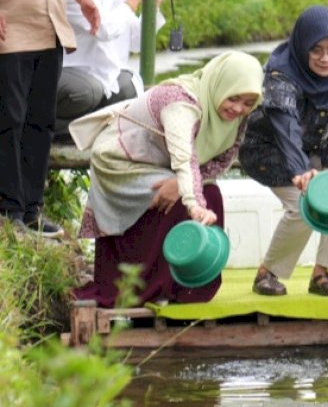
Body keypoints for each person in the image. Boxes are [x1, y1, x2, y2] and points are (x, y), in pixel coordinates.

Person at [72, 51, 264, 308]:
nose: (238, 108)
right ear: (220, 85)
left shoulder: (238, 118)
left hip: (168, 165)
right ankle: (144, 288)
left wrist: (185, 188)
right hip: (122, 162)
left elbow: (220, 162)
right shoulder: (180, 102)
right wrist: (194, 203)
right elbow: (184, 158)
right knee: (182, 199)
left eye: (248, 103)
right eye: (234, 98)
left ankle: (188, 286)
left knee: (212, 195)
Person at [239, 5, 328, 297]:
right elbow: (285, 128)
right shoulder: (280, 71)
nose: (326, 58)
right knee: (305, 204)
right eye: (316, 50)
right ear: (302, 47)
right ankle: (268, 273)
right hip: (270, 148)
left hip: (325, 145)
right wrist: (301, 172)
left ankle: (322, 274)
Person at [0, 0, 100, 237]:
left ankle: (31, 211)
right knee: (10, 120)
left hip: (48, 25)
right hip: (9, 27)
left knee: (41, 122)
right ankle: (8, 211)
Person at [55, 0, 169, 140]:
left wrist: (156, 1)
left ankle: (92, 131)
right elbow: (104, 28)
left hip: (101, 77)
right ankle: (57, 130)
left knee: (129, 87)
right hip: (66, 73)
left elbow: (136, 41)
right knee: (89, 91)